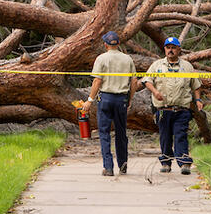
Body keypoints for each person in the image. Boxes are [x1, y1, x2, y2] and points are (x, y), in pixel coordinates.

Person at [140, 37, 203, 175]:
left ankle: (184, 163)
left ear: (179, 49)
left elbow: (196, 85)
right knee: (165, 137)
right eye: (168, 47)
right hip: (163, 110)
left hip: (181, 110)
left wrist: (198, 100)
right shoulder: (157, 65)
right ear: (164, 49)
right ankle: (166, 162)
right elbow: (147, 80)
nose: (170, 50)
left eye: (173, 47)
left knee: (180, 135)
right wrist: (155, 92)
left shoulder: (187, 66)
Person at [83, 31, 136, 176]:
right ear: (118, 44)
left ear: (105, 44)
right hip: (121, 100)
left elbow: (97, 81)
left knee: (104, 133)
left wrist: (89, 100)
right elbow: (134, 82)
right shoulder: (128, 59)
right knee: (121, 132)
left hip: (105, 99)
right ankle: (123, 164)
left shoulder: (101, 59)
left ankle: (108, 167)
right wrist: (130, 99)